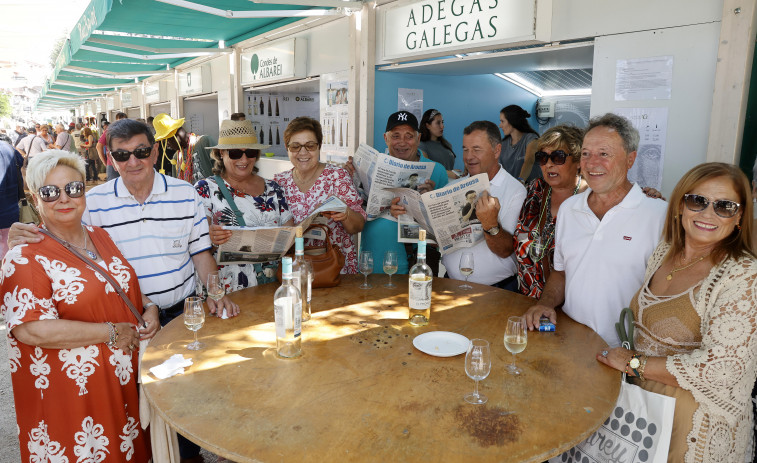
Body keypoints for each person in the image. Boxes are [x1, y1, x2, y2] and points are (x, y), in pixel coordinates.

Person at [8, 119, 239, 463]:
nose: (133, 161)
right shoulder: (90, 207)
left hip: (170, 320)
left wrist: (209, 293)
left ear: (155, 151)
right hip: (99, 358)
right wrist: (23, 235)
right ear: (110, 158)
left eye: (141, 151)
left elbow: (197, 254)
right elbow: (31, 321)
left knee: (180, 410)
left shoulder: (175, 197)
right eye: (122, 154)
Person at [1, 150, 157, 462]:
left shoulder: (100, 236)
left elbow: (119, 287)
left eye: (73, 188)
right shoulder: (25, 256)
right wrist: (111, 332)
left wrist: (148, 307)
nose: (64, 199)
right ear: (34, 198)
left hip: (122, 384)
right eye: (49, 192)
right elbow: (32, 330)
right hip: (73, 396)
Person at [596, 163, 757, 462]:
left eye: (724, 206)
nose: (707, 214)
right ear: (680, 205)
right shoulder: (665, 251)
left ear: (739, 217)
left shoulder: (743, 275)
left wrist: (633, 361)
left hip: (694, 424)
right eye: (697, 201)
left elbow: (722, 371)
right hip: (641, 410)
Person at [524, 113, 668, 346]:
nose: (592, 163)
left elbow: (666, 295)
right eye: (586, 154)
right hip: (568, 341)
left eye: (604, 154)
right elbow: (561, 273)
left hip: (623, 351)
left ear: (630, 159)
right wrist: (545, 303)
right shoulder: (570, 208)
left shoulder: (659, 215)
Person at [195, 119, 294, 292]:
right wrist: (209, 237)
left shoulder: (273, 188)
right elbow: (198, 243)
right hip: (226, 289)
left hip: (270, 284)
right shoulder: (205, 189)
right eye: (235, 153)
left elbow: (288, 234)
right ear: (221, 154)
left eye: (250, 152)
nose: (244, 159)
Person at [352, 111, 448, 274]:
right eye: (396, 136)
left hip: (416, 267)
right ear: (385, 138)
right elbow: (353, 217)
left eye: (409, 136)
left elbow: (445, 229)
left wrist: (428, 203)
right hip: (373, 265)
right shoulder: (370, 168)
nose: (402, 142)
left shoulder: (437, 171)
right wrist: (349, 177)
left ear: (418, 139)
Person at [439, 121, 527, 289]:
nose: (469, 156)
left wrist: (490, 223)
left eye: (476, 149)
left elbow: (505, 250)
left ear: (497, 150)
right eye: (465, 149)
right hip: (450, 284)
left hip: (495, 290)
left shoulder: (516, 191)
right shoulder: (452, 188)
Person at [274, 116, 366, 274]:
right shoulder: (279, 182)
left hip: (335, 269)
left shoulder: (337, 176)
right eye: (295, 146)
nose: (303, 152)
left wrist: (346, 214)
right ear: (287, 147)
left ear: (319, 147)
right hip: (295, 271)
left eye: (310, 146)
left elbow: (357, 227)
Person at [512, 125, 587, 299]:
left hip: (572, 306)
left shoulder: (592, 201)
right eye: (543, 157)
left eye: (558, 157)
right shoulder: (533, 191)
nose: (549, 164)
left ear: (578, 162)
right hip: (526, 301)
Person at [498, 105, 540, 183]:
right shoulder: (503, 144)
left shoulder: (531, 139)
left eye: (502, 121)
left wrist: (521, 181)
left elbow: (529, 161)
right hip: (512, 190)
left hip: (533, 191)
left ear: (512, 121)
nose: (500, 125)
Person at [0, 139, 23, 259]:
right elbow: (21, 161)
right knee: (10, 253)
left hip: (4, 209)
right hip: (12, 207)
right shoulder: (8, 147)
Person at [418, 108, 457, 175]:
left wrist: (457, 173)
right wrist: (450, 173)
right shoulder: (421, 145)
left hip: (450, 184)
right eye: (438, 123)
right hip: (434, 184)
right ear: (427, 125)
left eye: (442, 122)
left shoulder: (447, 144)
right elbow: (426, 169)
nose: (442, 126)